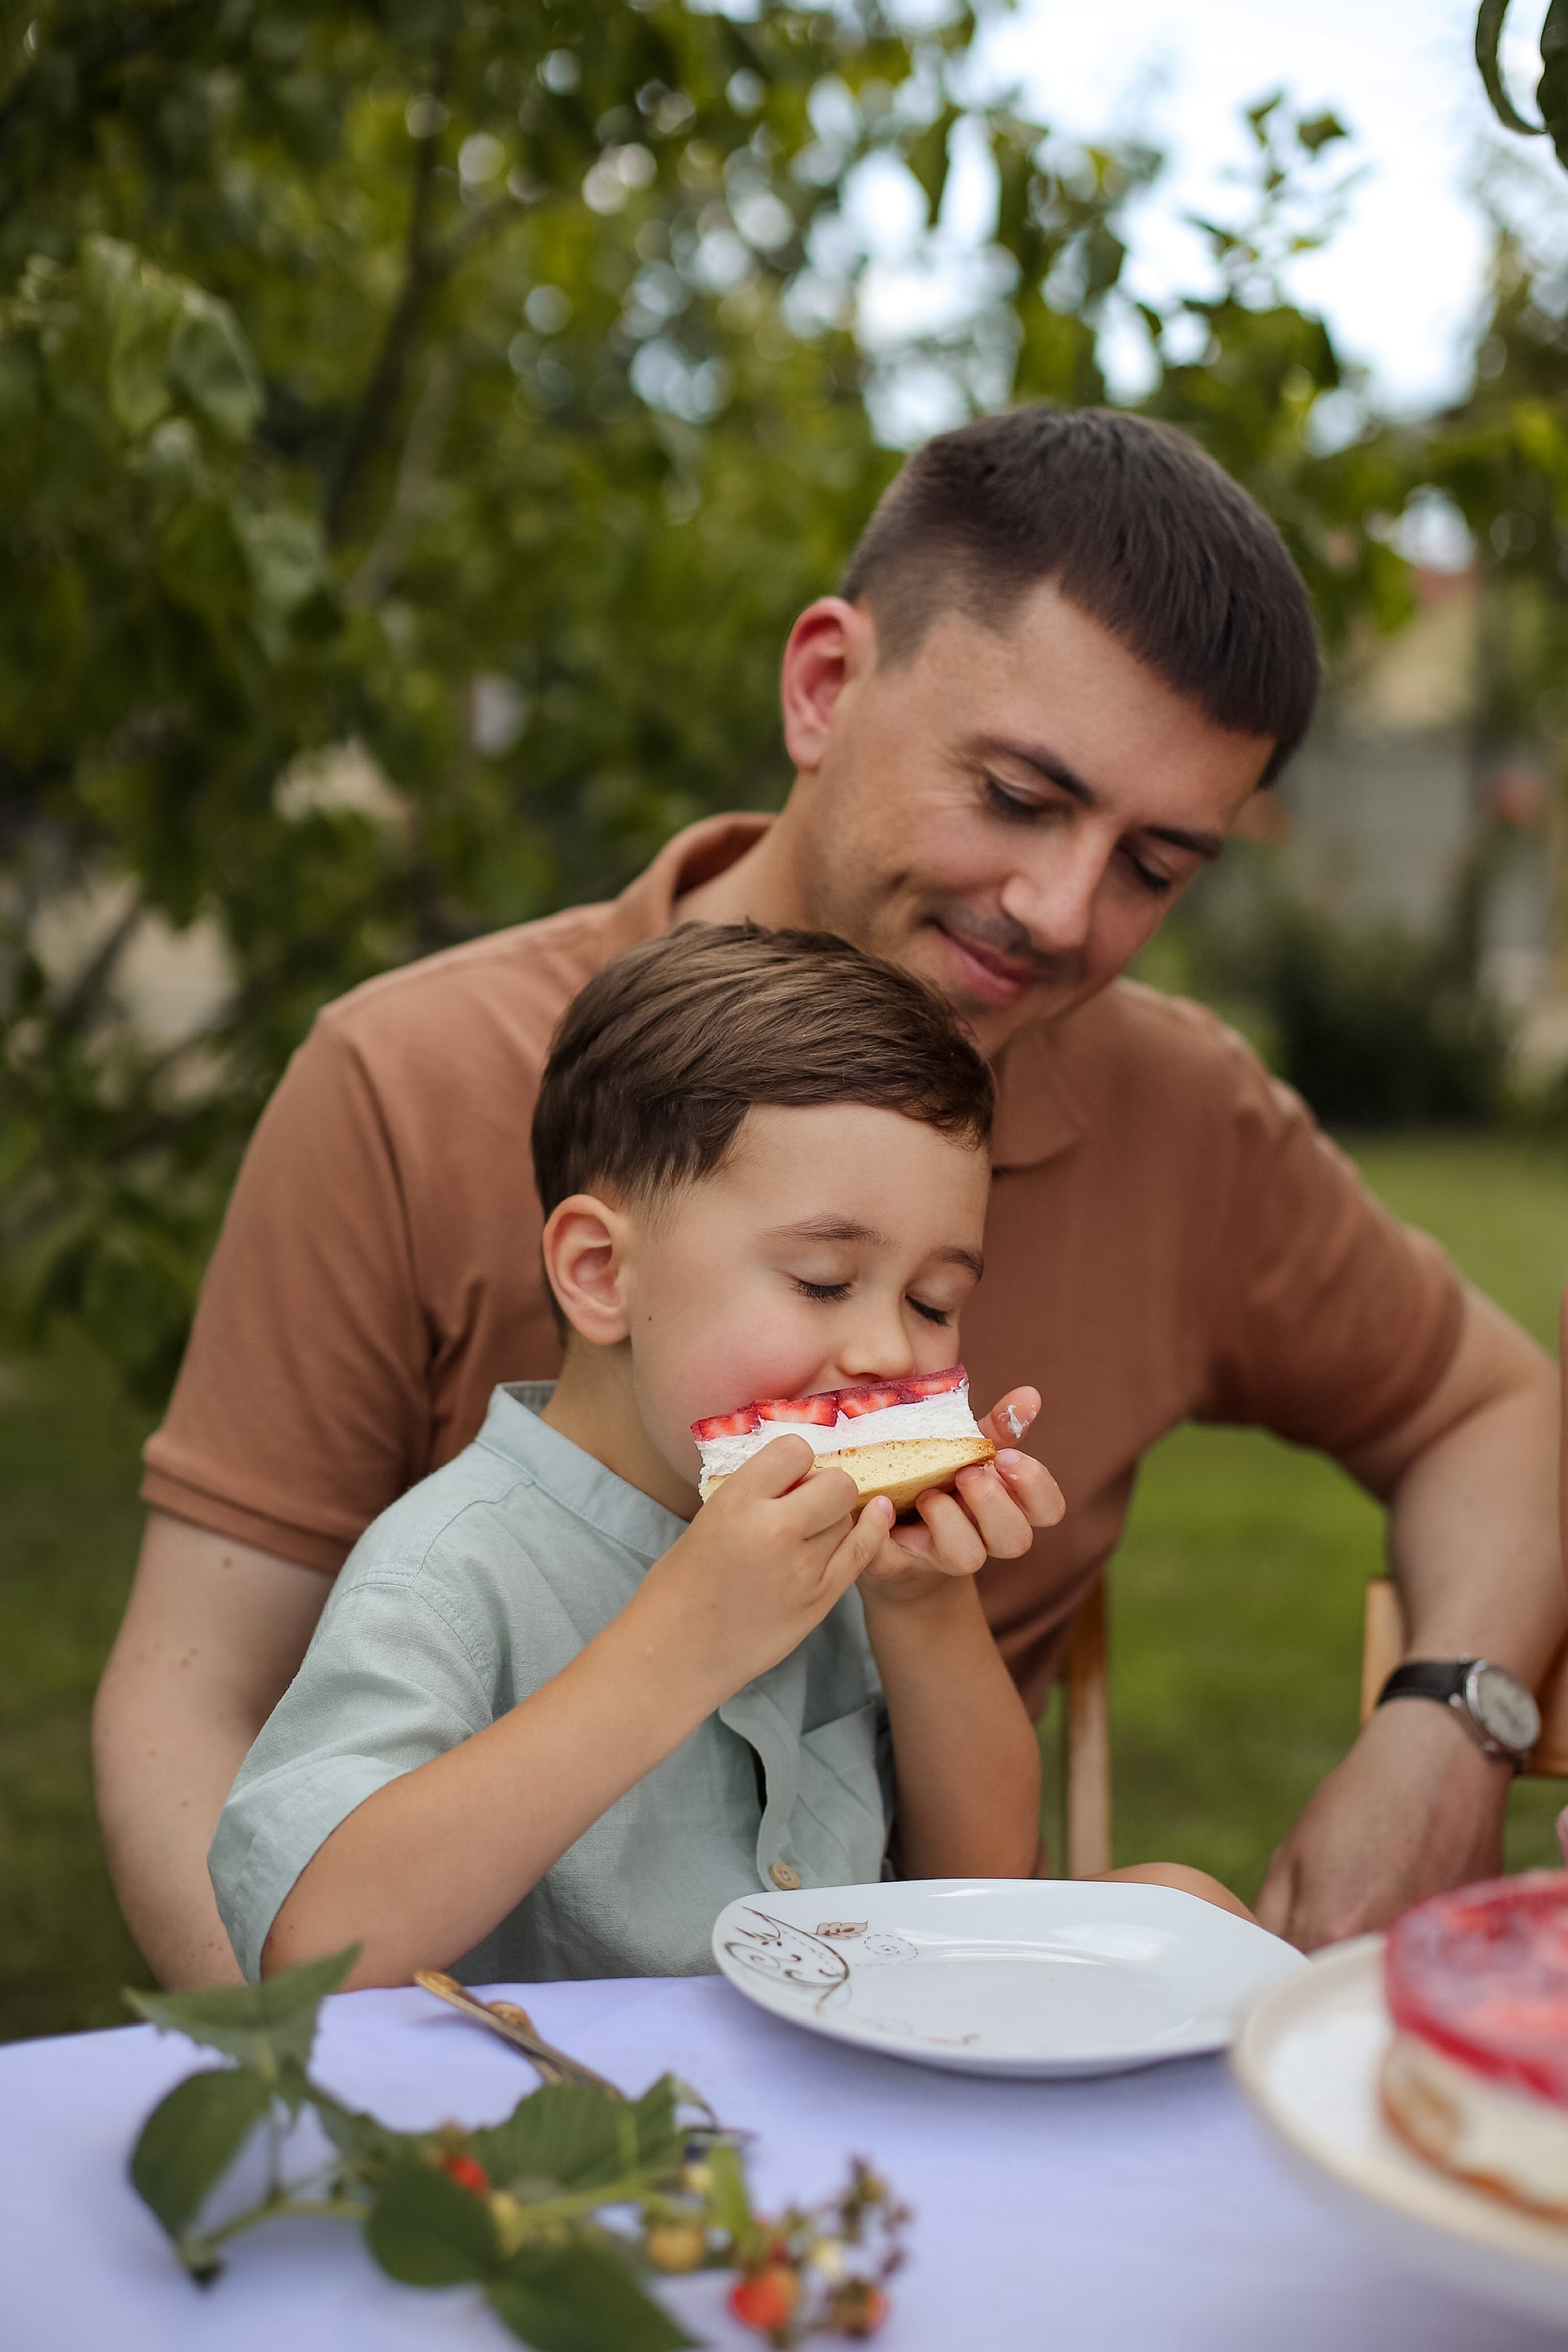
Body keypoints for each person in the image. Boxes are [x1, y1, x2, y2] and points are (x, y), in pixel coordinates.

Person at [97, 405, 1564, 1989]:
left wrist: (1451, 1726)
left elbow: (1490, 1407)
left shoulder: (1187, 1115)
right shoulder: (407, 1079)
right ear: (823, 687)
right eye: (1015, 795)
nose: (1063, 913)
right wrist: (319, 2095)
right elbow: (193, 1704)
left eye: (1155, 867)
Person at [216, 925, 1057, 1983]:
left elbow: (984, 1884)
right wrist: (684, 1645)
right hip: (572, 2124)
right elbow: (315, 1951)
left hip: (837, 2097)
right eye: (824, 1281)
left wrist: (924, 1610)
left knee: (1182, 1898)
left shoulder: (842, 1552)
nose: (891, 1350)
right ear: (604, 1273)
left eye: (934, 1303)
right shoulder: (453, 1570)